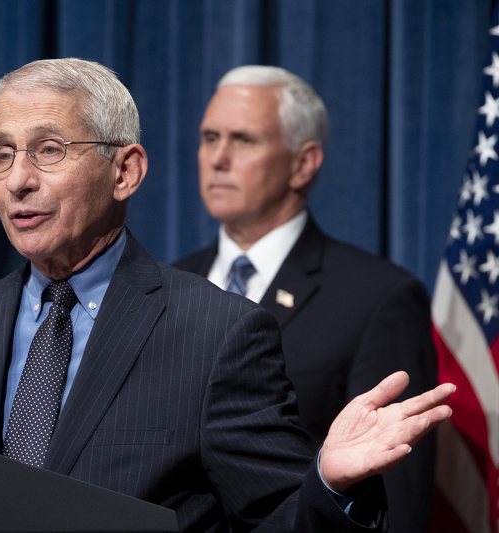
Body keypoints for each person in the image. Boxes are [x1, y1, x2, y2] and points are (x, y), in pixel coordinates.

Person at [0, 58, 453, 532]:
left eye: (49, 150)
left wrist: (329, 483)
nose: (18, 178)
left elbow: (273, 518)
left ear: (125, 172)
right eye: (2, 154)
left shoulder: (215, 333)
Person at [174, 66, 438, 533]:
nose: (218, 157)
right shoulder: (169, 282)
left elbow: (395, 501)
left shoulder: (378, 297)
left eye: (244, 140)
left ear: (304, 163)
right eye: (209, 137)